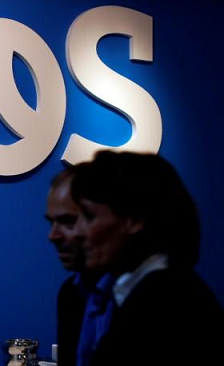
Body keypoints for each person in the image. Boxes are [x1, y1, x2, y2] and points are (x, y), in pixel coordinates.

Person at [70, 150, 223, 365]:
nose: (77, 232)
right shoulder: (158, 293)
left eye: (89, 216)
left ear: (134, 219)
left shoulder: (165, 305)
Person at [45, 167, 99, 366]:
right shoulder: (71, 293)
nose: (53, 236)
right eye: (51, 223)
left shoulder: (167, 295)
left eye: (68, 222)